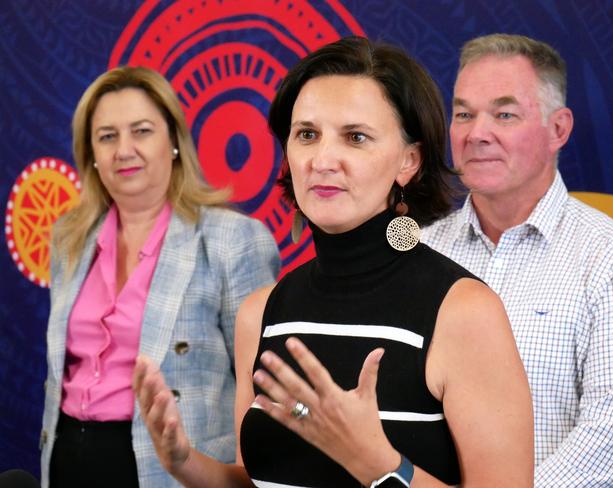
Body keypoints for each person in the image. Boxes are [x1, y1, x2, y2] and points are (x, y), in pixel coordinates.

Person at [134, 36, 534, 487]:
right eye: (307, 134)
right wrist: (183, 462)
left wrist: (377, 462)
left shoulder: (464, 312)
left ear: (409, 160)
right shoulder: (261, 313)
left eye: (355, 137)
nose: (323, 160)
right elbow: (259, 481)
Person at [420, 33, 613, 487]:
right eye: (464, 113)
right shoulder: (418, 250)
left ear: (558, 129)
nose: (476, 133)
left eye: (504, 114)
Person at [40, 66, 280, 488]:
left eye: (142, 131)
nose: (124, 150)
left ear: (173, 141)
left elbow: (262, 387)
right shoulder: (68, 241)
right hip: (67, 460)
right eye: (107, 136)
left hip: (171, 470)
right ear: (91, 153)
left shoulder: (233, 240)